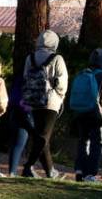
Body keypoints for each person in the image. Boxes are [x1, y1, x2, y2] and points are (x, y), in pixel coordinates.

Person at [21, 30, 68, 179]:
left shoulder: (30, 58)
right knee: (43, 137)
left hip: (34, 101)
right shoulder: (57, 58)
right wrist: (61, 97)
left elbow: (25, 77)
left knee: (42, 136)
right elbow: (62, 82)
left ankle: (50, 171)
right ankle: (28, 167)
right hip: (50, 101)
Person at [71, 48, 102, 182]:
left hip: (80, 112)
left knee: (83, 141)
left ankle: (79, 170)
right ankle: (90, 173)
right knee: (97, 143)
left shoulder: (83, 73)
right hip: (96, 113)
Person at [5, 74, 33, 177]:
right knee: (23, 142)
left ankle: (12, 171)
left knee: (16, 144)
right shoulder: (34, 76)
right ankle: (26, 169)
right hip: (27, 110)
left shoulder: (19, 77)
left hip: (14, 109)